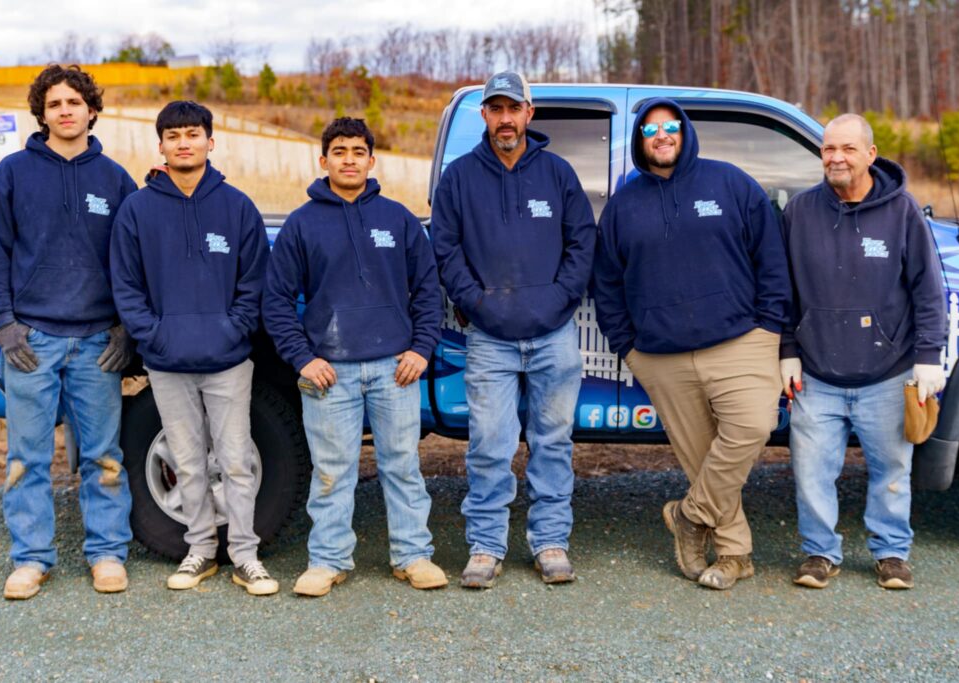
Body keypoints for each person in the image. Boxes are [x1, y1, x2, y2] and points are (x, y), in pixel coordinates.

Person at [593, 98, 791, 590]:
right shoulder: (623, 205)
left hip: (741, 340)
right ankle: (734, 554)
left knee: (753, 424)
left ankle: (689, 514)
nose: (662, 135)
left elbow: (771, 259)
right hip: (661, 356)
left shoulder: (731, 183)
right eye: (651, 128)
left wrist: (769, 326)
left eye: (670, 125)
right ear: (641, 139)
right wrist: (629, 347)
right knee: (703, 458)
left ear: (685, 131)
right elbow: (607, 283)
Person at [263, 117, 447, 597]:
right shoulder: (302, 224)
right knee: (331, 470)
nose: (348, 159)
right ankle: (327, 560)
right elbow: (276, 300)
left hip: (396, 370)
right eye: (338, 151)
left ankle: (413, 555)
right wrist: (303, 358)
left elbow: (428, 291)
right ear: (322, 161)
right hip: (328, 374)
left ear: (372, 159)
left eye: (357, 151)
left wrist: (421, 349)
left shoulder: (399, 220)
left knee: (402, 464)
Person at [430, 71, 596, 588]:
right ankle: (485, 546)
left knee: (552, 442)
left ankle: (550, 542)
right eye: (495, 108)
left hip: (553, 336)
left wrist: (557, 299)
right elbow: (445, 246)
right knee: (489, 445)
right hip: (489, 339)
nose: (505, 118)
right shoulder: (459, 178)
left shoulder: (558, 174)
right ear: (484, 115)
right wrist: (476, 302)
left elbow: (582, 244)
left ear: (529, 113)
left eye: (513, 108)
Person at [0, 64, 137, 599]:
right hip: (33, 340)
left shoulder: (115, 179)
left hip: (97, 342)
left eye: (74, 101)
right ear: (41, 113)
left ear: (92, 110)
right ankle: (30, 558)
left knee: (104, 455)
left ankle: (107, 554)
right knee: (27, 457)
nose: (65, 111)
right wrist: (4, 325)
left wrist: (124, 330)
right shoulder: (13, 173)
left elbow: (132, 262)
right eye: (54, 104)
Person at [110, 101, 276, 596]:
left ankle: (245, 555)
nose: (184, 143)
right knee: (187, 462)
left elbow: (255, 281)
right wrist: (152, 335)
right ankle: (201, 550)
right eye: (174, 135)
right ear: (160, 145)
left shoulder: (237, 206)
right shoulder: (137, 210)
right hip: (166, 361)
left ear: (210, 141)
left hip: (227, 361)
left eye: (193, 134)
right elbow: (126, 284)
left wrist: (234, 330)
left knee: (237, 460)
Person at [781, 114, 947, 591]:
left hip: (887, 374)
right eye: (829, 148)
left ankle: (891, 553)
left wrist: (928, 357)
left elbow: (928, 290)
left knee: (892, 471)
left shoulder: (902, 211)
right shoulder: (800, 212)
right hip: (816, 373)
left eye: (848, 149)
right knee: (811, 473)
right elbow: (783, 291)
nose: (836, 157)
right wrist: (788, 350)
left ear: (871, 154)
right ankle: (818, 553)